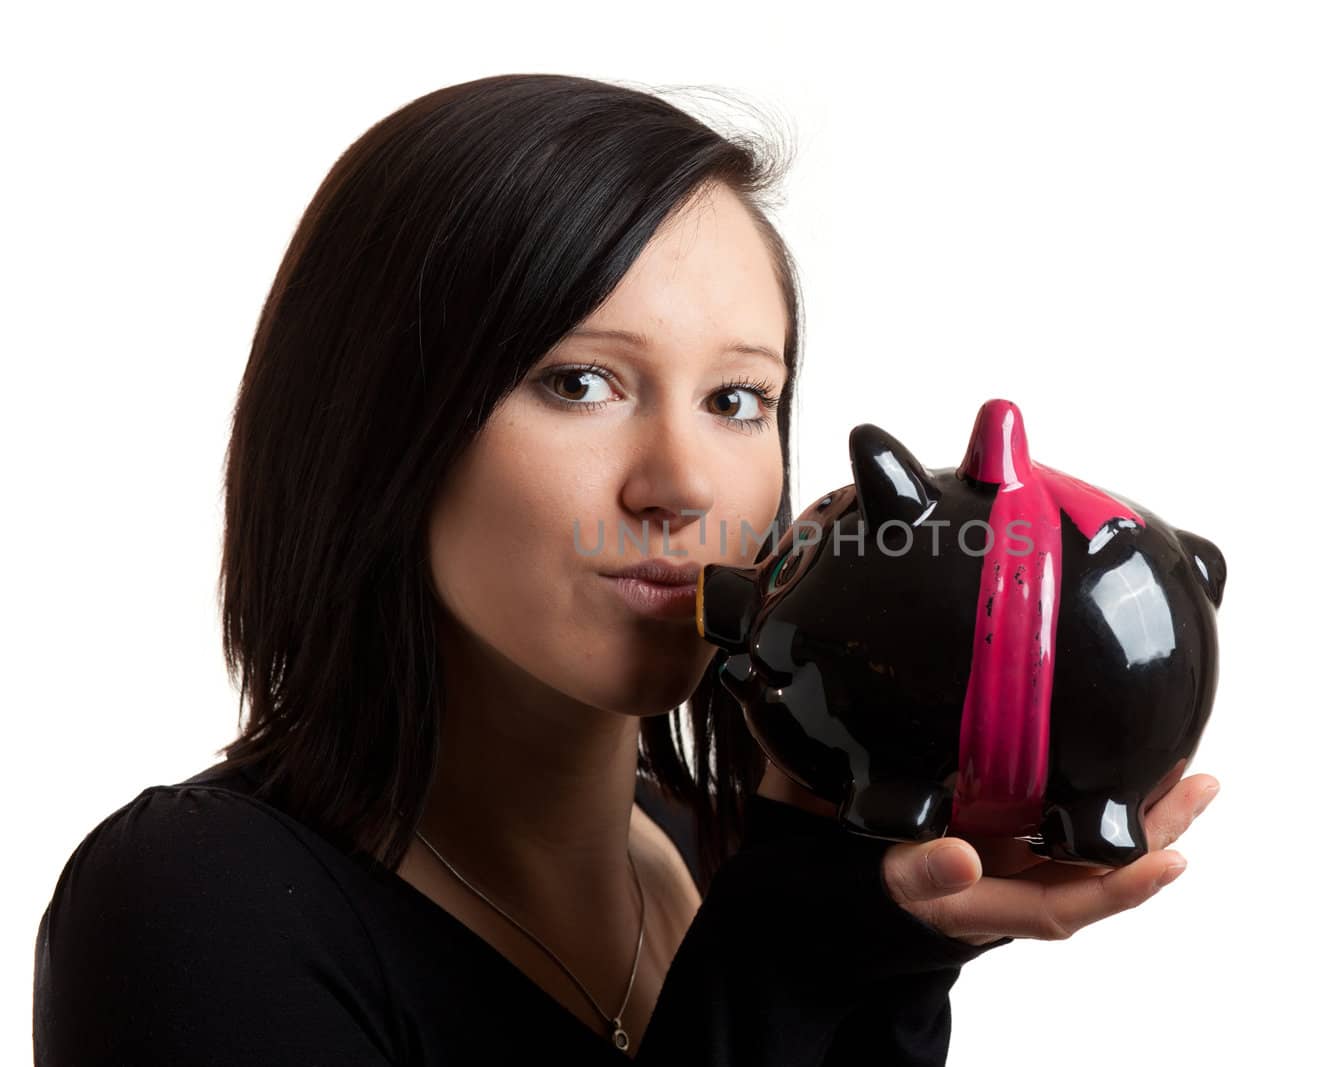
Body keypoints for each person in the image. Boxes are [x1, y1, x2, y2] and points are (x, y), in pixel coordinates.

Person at [32, 73, 1220, 1065]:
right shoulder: (195, 907)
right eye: (581, 382)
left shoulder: (739, 855)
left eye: (738, 398)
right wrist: (789, 960)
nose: (682, 481)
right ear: (380, 423)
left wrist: (876, 940)